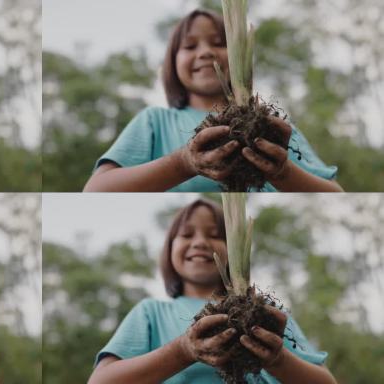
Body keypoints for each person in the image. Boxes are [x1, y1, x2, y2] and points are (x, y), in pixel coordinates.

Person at [83, 10, 343, 192]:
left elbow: (333, 195)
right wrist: (183, 162)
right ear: (172, 64)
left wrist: (284, 172)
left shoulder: (274, 128)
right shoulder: (155, 122)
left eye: (219, 42)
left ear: (240, 55)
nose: (205, 52)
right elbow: (96, 191)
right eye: (190, 46)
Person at [88, 199, 337, 384]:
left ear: (235, 246)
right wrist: (183, 350)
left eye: (216, 234)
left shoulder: (269, 316)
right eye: (186, 234)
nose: (200, 242)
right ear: (168, 249)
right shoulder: (151, 313)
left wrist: (279, 360)